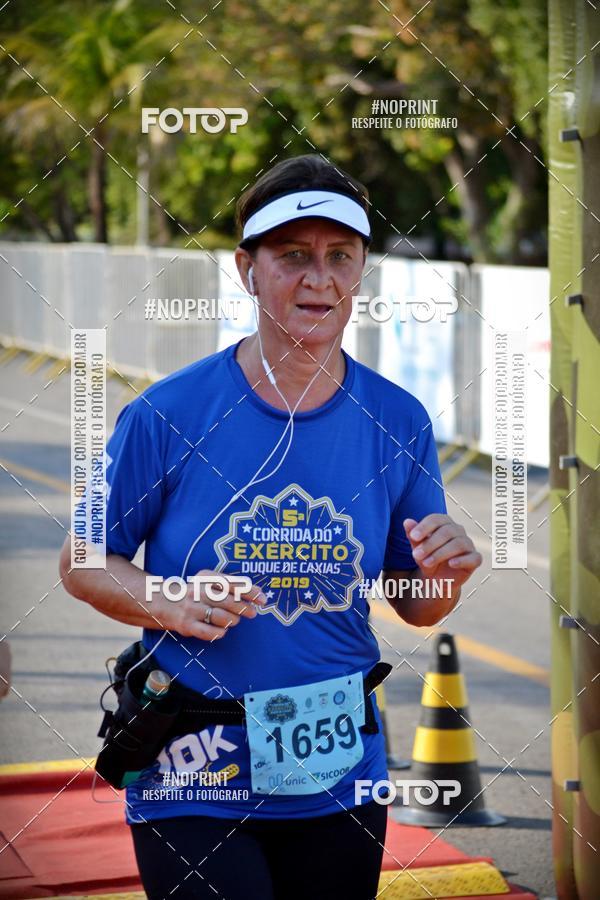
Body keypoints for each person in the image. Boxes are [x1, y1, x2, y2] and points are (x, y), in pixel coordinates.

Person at [59, 154, 482, 900]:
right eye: (292, 256)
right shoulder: (168, 413)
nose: (318, 278)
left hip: (337, 766)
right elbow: (83, 558)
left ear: (360, 273)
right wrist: (167, 601)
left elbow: (415, 603)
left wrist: (443, 579)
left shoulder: (397, 420)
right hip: (195, 761)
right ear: (247, 269)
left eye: (339, 257)